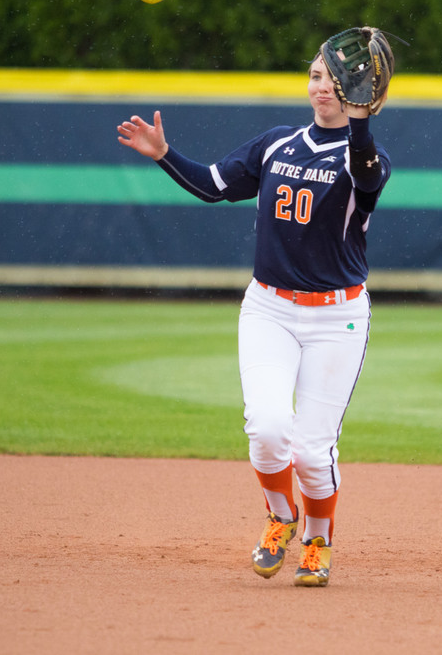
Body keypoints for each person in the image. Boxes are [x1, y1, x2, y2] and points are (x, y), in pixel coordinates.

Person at [116, 43, 391, 587]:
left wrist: (360, 123)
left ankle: (319, 539)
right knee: (267, 431)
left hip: (337, 318)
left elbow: (365, 177)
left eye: (335, 81)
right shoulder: (276, 144)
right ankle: (280, 518)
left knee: (313, 451)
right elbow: (215, 187)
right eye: (316, 75)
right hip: (269, 308)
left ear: (360, 96)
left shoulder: (368, 158)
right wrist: (164, 154)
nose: (321, 87)